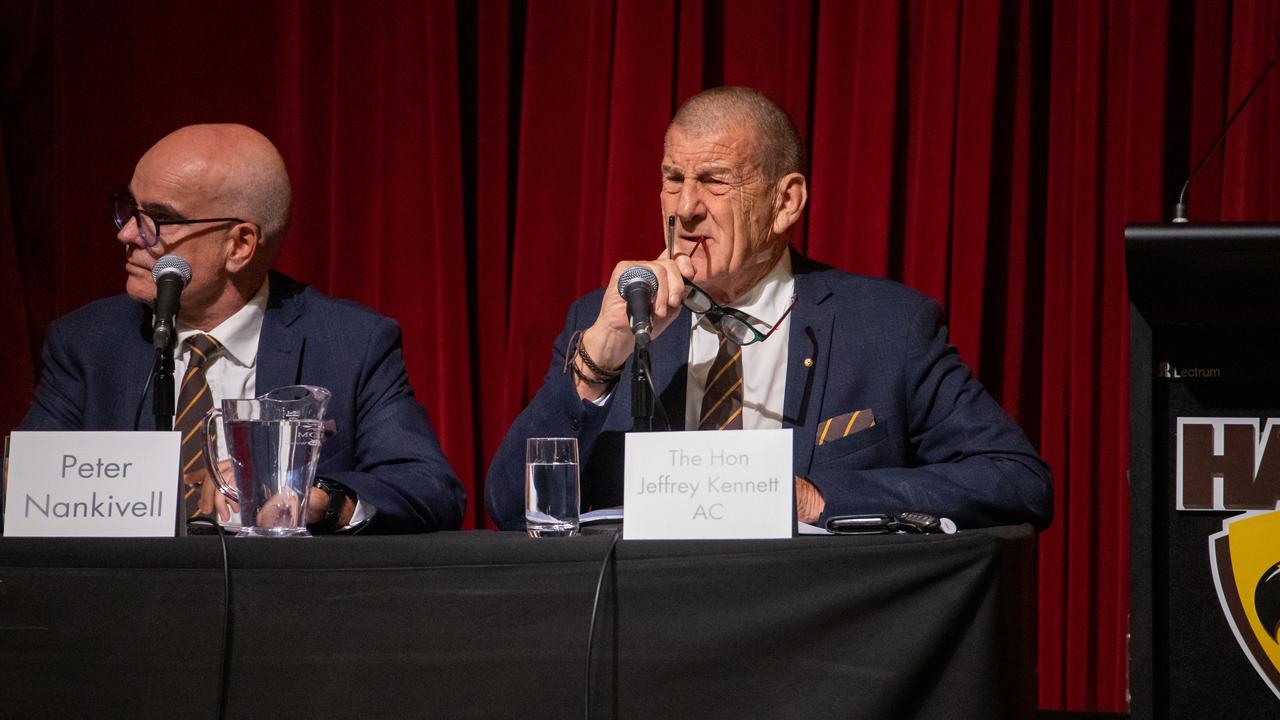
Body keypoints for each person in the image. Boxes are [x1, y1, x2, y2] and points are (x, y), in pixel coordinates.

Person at [485, 87, 1052, 532]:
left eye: (714, 182)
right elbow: (511, 507)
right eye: (672, 179)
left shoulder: (887, 330)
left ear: (785, 202)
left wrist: (817, 498)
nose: (685, 209)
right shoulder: (612, 320)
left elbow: (1017, 481)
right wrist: (595, 364)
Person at [20, 124, 465, 533]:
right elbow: (26, 486)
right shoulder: (87, 342)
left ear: (240, 245)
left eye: (159, 218)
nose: (129, 234)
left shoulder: (351, 343)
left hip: (278, 605)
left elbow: (427, 486)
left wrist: (319, 499)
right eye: (130, 209)